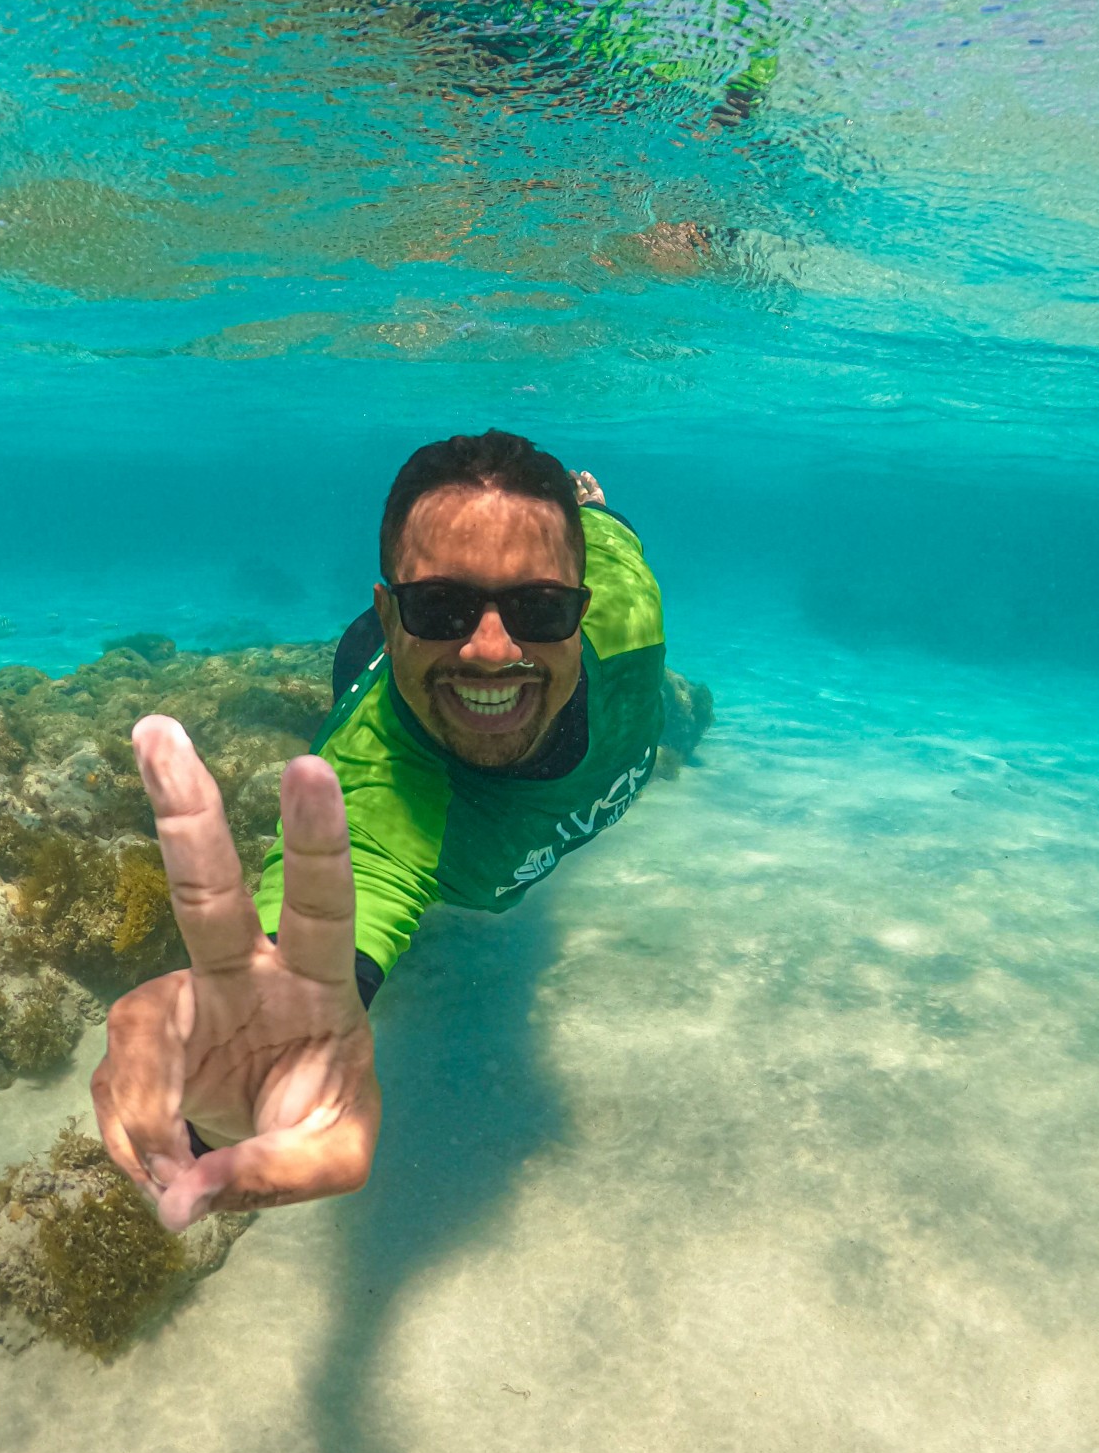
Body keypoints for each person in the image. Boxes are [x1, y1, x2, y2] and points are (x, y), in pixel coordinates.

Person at [90, 430, 667, 1229]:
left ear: (582, 611)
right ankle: (381, 645)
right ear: (392, 612)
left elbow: (613, 546)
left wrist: (604, 519)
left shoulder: (630, 616)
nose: (494, 648)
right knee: (364, 691)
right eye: (441, 605)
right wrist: (209, 1108)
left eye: (538, 607)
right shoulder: (380, 789)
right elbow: (306, 942)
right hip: (378, 676)